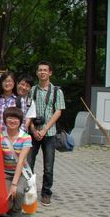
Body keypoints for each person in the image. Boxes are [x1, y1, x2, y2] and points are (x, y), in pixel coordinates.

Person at [27, 61, 65, 207]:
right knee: (29, 163)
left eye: (45, 70)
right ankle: (29, 191)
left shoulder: (57, 91)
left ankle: (46, 193)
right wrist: (33, 129)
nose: (42, 72)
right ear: (37, 73)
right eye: (40, 70)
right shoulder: (32, 91)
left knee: (48, 167)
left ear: (50, 73)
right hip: (34, 133)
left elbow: (58, 112)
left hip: (50, 134)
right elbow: (28, 111)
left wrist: (44, 130)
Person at [0, 107, 33, 217]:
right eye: (9, 118)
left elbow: (20, 162)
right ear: (5, 120)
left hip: (20, 173)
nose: (12, 121)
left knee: (17, 191)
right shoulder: (0, 136)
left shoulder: (26, 137)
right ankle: (6, 210)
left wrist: (14, 185)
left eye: (16, 118)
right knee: (3, 196)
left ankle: (16, 214)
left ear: (20, 121)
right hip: (4, 173)